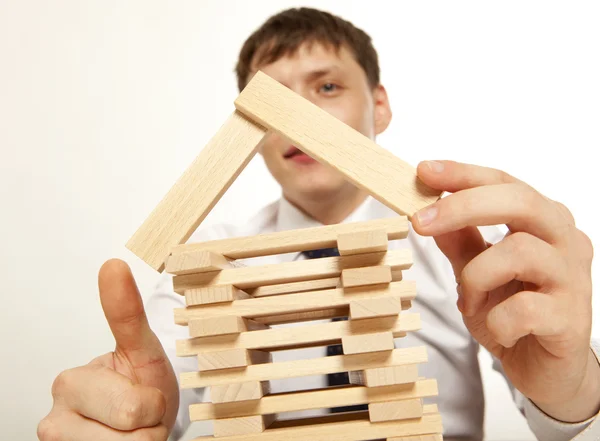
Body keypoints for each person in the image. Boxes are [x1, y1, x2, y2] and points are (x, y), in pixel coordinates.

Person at [38, 7, 599, 441]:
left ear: (378, 106)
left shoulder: (468, 251)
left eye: (326, 88)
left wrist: (574, 390)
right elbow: (155, 398)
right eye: (272, 102)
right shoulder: (203, 263)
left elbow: (567, 413)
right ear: (250, 125)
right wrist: (128, 415)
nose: (299, 121)